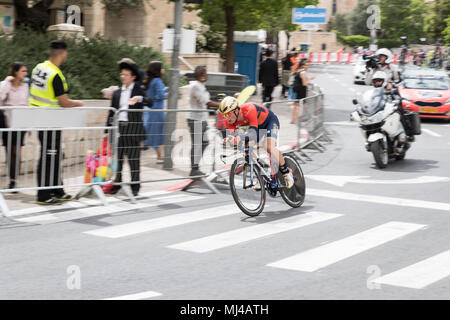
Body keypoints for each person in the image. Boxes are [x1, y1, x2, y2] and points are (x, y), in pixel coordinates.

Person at [30, 40, 84, 205]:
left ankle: (57, 189)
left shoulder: (38, 68)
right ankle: (44, 195)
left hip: (39, 118)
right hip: (50, 120)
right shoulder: (55, 75)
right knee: (50, 156)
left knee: (52, 155)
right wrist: (78, 103)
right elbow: (64, 102)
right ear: (63, 53)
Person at [219, 96, 294, 188]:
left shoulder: (249, 109)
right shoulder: (229, 122)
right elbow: (235, 138)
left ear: (236, 110)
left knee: (268, 146)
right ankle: (262, 175)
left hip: (270, 121)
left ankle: (286, 172)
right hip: (256, 127)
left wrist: (239, 138)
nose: (227, 118)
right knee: (246, 151)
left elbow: (252, 134)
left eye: (228, 114)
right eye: (224, 115)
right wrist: (229, 141)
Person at [105, 61, 153, 196]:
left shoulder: (138, 90)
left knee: (133, 159)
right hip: (119, 129)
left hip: (133, 129)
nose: (123, 77)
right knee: (118, 159)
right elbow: (111, 112)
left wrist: (139, 99)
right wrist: (106, 131)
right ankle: (117, 183)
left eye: (126, 75)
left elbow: (150, 101)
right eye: (122, 74)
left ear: (133, 77)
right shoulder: (117, 93)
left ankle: (135, 186)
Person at [0, 62, 29, 192]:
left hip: (21, 123)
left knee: (16, 152)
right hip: (7, 123)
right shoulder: (6, 85)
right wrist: (6, 82)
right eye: (23, 71)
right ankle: (11, 181)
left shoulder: (25, 87)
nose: (25, 74)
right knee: (9, 153)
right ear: (15, 72)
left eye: (26, 71)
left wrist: (28, 125)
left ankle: (14, 181)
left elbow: (27, 105)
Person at [187, 66, 219, 177]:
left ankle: (195, 167)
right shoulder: (196, 86)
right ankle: (194, 169)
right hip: (195, 119)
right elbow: (206, 101)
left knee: (204, 142)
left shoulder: (200, 85)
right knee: (197, 144)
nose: (207, 75)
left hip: (201, 119)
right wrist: (222, 105)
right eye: (205, 73)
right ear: (201, 75)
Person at [142, 61, 168, 163]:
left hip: (152, 109)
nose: (163, 70)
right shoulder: (157, 81)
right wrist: (169, 93)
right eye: (162, 68)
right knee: (158, 133)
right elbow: (161, 95)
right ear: (158, 70)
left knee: (153, 132)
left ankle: (159, 156)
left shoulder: (150, 80)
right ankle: (159, 157)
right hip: (158, 110)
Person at [290, 59, 315, 124]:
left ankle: (293, 120)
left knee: (295, 106)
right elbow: (304, 83)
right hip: (301, 91)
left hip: (295, 90)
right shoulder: (303, 72)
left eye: (308, 65)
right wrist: (310, 79)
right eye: (306, 65)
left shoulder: (298, 71)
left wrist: (308, 82)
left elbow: (300, 81)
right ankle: (297, 120)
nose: (307, 67)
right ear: (303, 65)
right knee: (300, 106)